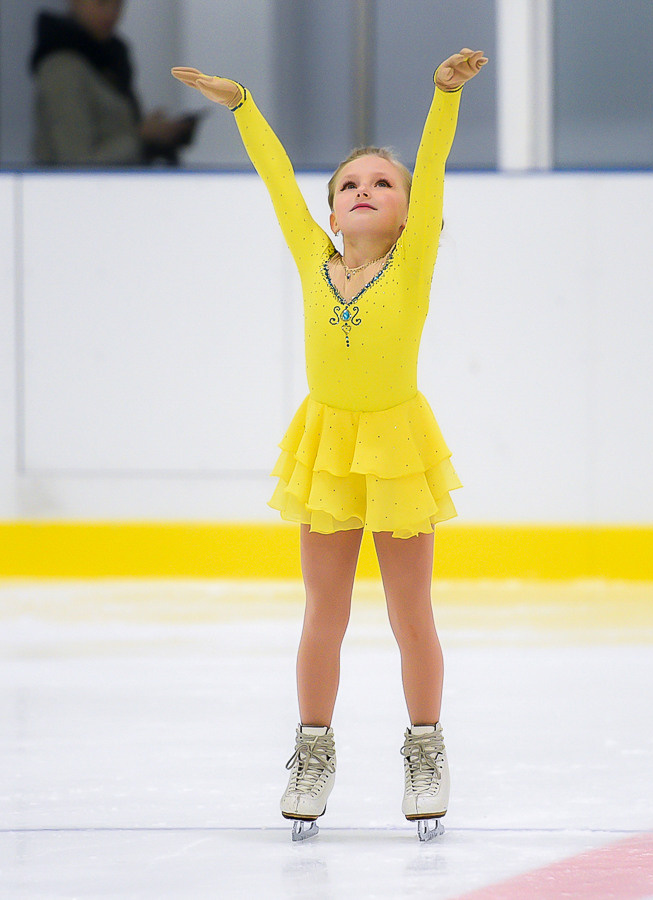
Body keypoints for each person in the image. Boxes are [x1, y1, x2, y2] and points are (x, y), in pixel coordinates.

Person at [172, 47, 488, 842]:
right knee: (325, 612)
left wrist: (442, 95)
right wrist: (242, 103)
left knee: (410, 614)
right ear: (331, 206)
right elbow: (277, 180)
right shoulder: (313, 260)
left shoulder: (411, 265)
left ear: (409, 213)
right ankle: (312, 751)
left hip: (396, 442)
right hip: (327, 443)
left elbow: (437, 164)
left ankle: (425, 748)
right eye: (350, 183)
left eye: (383, 182)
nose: (363, 190)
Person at [30, 0, 197, 165]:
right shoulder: (63, 68)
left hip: (109, 187)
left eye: (118, 5)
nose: (111, 13)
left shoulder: (108, 60)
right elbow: (76, 162)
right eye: (101, 3)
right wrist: (142, 136)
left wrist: (156, 137)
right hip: (78, 189)